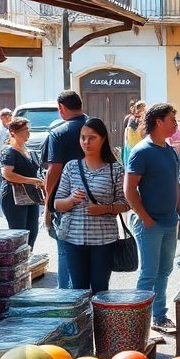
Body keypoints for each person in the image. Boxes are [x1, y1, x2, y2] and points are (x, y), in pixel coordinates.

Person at [126, 103, 180, 334]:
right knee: (149, 273)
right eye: (172, 119)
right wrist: (145, 218)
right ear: (158, 122)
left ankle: (159, 316)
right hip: (150, 224)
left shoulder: (169, 150)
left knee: (164, 271)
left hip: (169, 221)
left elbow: (175, 184)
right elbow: (129, 190)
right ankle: (137, 322)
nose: (175, 123)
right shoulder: (142, 151)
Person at [53, 118, 129, 295]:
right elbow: (57, 203)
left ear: (103, 139)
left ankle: (99, 323)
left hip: (104, 240)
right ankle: (82, 323)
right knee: (78, 290)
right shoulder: (71, 167)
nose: (86, 142)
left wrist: (105, 209)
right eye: (82, 138)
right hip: (73, 238)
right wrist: (71, 200)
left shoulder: (115, 170)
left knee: (100, 289)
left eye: (91, 138)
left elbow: (125, 204)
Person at [41, 90, 89, 288]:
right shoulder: (96, 127)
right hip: (95, 199)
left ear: (61, 108)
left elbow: (53, 170)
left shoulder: (59, 133)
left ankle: (67, 302)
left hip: (66, 201)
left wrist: (47, 205)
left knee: (65, 252)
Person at [0, 117, 45, 251]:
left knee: (32, 232)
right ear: (13, 132)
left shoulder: (28, 151)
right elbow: (7, 174)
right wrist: (32, 180)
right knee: (19, 234)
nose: (28, 133)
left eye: (28, 130)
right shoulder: (9, 151)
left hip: (31, 196)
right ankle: (17, 264)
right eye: (25, 130)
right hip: (14, 196)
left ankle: (27, 262)